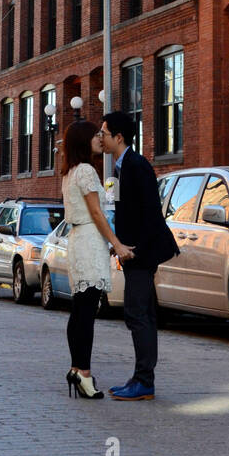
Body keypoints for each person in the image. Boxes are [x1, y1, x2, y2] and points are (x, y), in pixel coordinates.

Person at [99, 112, 179, 400]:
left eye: (104, 133)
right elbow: (123, 213)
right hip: (131, 251)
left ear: (119, 137)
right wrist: (117, 243)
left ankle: (144, 381)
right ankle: (141, 378)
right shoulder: (119, 170)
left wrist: (136, 250)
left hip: (142, 254)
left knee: (138, 314)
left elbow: (151, 215)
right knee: (140, 314)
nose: (101, 138)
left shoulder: (138, 166)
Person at [60, 120, 134, 400]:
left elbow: (98, 206)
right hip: (89, 242)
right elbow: (97, 213)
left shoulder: (69, 173)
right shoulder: (87, 171)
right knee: (87, 312)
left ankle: (76, 368)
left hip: (78, 241)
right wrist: (117, 244)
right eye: (95, 135)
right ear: (82, 140)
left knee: (79, 310)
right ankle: (85, 374)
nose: (99, 139)